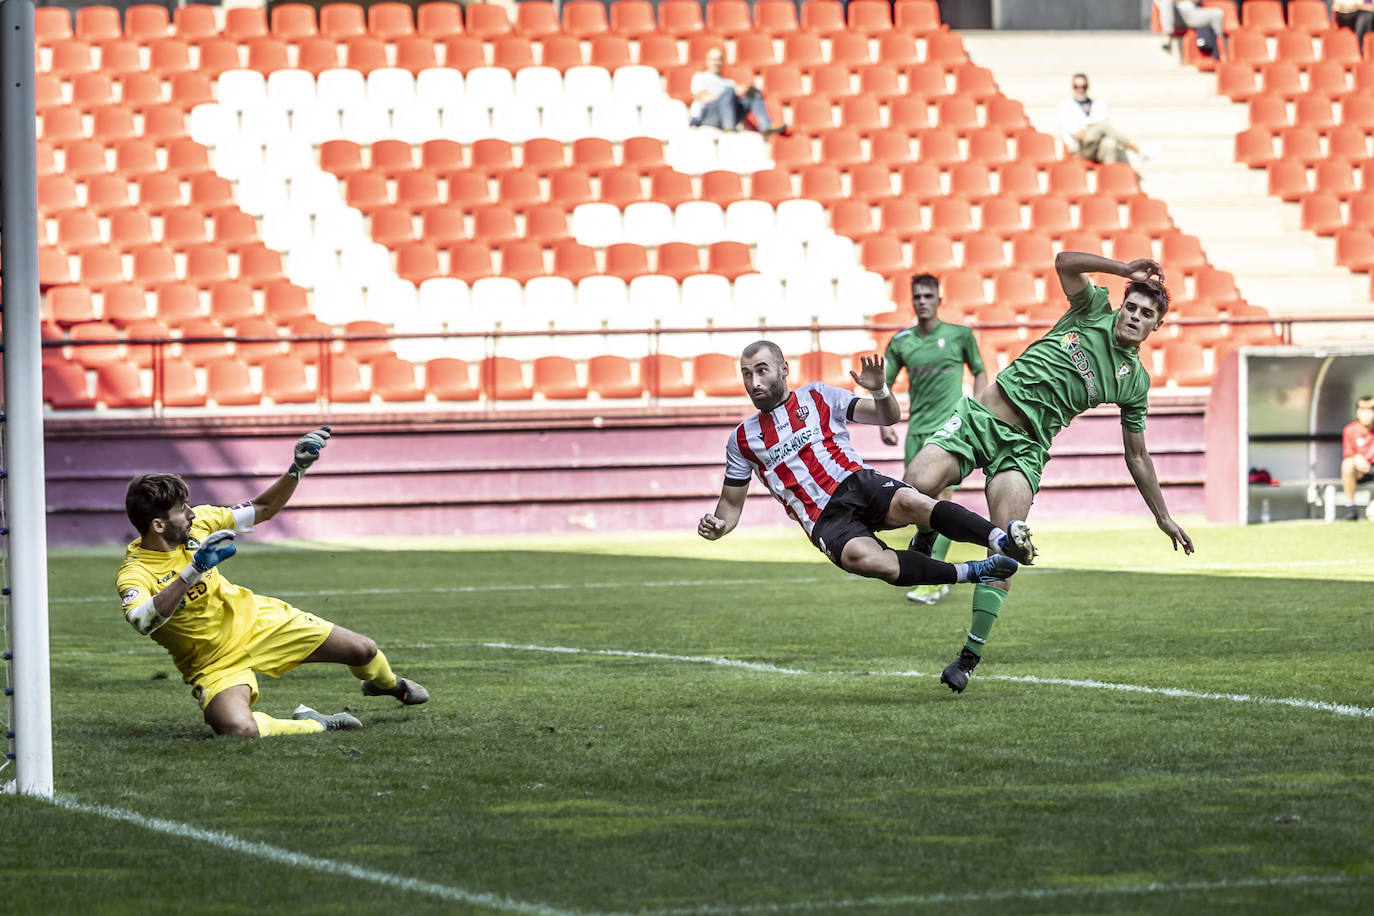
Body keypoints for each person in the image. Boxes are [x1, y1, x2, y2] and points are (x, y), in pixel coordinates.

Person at [903, 252, 1196, 693]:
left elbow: (1137, 456)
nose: (1134, 317)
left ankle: (968, 657)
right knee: (913, 489)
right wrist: (1122, 271)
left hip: (1024, 450)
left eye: (1146, 314)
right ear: (1120, 305)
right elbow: (1063, 262)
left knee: (1007, 548)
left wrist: (1163, 515)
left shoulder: (1134, 382)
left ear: (1157, 326)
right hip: (982, 418)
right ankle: (925, 535)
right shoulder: (1092, 307)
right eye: (1131, 306)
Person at [116, 427, 429, 738]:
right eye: (181, 511)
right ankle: (315, 722)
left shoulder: (202, 521)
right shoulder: (136, 572)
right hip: (211, 661)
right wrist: (193, 570)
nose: (191, 514)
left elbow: (263, 509)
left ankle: (388, 685)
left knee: (363, 650)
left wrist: (298, 469)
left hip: (258, 622)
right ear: (158, 524)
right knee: (238, 729)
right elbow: (142, 621)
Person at [697, 341, 1036, 595]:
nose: (753, 381)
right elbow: (730, 505)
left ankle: (1001, 539)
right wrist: (719, 525)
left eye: (761, 370)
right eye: (746, 374)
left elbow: (886, 416)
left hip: (857, 482)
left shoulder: (818, 396)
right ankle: (973, 571)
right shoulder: (742, 439)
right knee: (874, 563)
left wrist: (879, 389)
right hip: (824, 520)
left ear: (784, 369)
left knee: (916, 503)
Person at [879, 273, 988, 606]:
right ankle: (929, 559)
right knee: (916, 504)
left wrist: (978, 408)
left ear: (939, 299)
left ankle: (933, 579)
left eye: (928, 295)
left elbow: (981, 370)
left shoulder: (960, 335)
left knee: (942, 499)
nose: (923, 301)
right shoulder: (901, 342)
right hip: (917, 432)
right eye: (917, 296)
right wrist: (884, 421)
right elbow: (882, 384)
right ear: (912, 301)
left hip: (952, 430)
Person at [1057, 74, 1157, 165]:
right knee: (1103, 126)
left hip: (1097, 146)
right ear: (1072, 87)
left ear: (1088, 86)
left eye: (1083, 86)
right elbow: (1078, 135)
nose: (1080, 90)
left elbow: (1100, 126)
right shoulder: (1065, 106)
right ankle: (1138, 150)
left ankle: (1108, 180)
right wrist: (1093, 127)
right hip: (1079, 148)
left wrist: (1090, 127)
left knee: (1110, 143)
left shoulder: (1097, 104)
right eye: (1077, 87)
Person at [689, 47, 784, 136]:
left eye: (719, 59)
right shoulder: (700, 77)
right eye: (713, 59)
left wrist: (742, 93)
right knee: (729, 91)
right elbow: (704, 98)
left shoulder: (730, 82)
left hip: (731, 113)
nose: (716, 62)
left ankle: (766, 127)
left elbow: (734, 102)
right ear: (707, 61)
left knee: (754, 93)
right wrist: (730, 94)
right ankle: (729, 128)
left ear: (723, 61)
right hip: (709, 117)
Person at [1154, 0, 1226, 58]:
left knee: (1218, 13)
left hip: (1191, 13)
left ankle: (1221, 50)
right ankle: (1167, 35)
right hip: (1175, 15)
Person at [1340, 394, 1374, 517]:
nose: (1367, 414)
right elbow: (1349, 454)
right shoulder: (1350, 430)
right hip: (1362, 471)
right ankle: (1350, 507)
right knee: (1347, 464)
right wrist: (1355, 457)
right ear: (1357, 412)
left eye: (1371, 410)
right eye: (1363, 410)